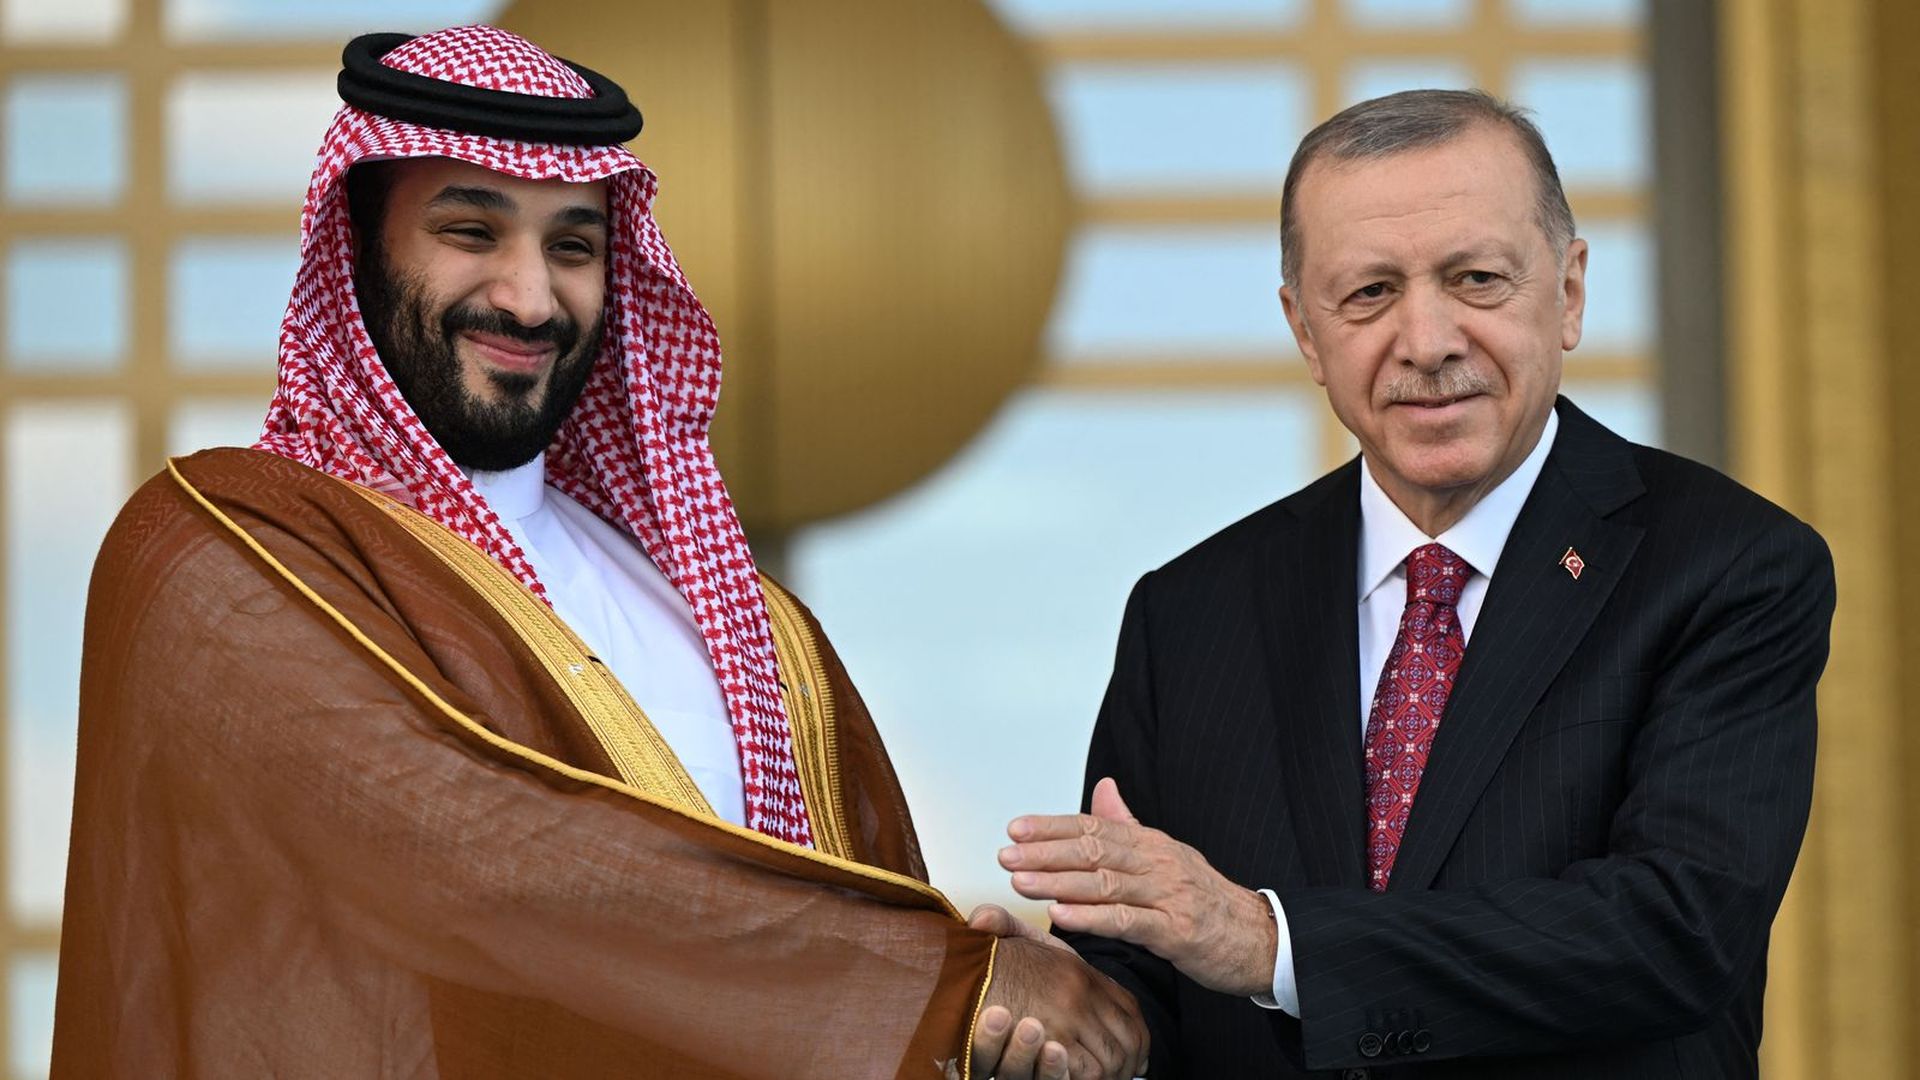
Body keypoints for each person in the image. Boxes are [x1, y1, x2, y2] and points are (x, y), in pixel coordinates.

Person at [51, 26, 1143, 1080]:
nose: (530, 297)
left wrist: (998, 1015)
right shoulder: (229, 555)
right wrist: (949, 989)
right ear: (358, 242)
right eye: (471, 232)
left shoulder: (741, 621)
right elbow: (471, 865)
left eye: (572, 246)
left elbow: (851, 925)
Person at [992, 89, 1834, 1076]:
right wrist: (1065, 1019)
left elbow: (1678, 932)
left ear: (1567, 294)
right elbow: (1149, 974)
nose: (1426, 343)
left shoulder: (1726, 566)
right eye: (1370, 294)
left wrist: (1276, 944)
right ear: (1306, 331)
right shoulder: (1188, 614)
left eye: (1475, 279)